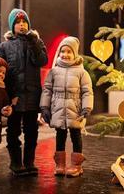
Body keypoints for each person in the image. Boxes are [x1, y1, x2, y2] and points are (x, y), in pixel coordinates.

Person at [0, 8, 48, 176]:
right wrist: (7, 97)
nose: (21, 25)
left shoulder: (36, 42)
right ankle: (16, 163)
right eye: (17, 22)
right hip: (14, 97)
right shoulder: (5, 45)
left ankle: (29, 163)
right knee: (13, 131)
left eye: (24, 22)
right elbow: (0, 71)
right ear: (12, 26)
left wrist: (33, 41)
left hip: (32, 95)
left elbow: (42, 60)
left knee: (32, 131)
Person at [40, 36, 94, 177]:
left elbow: (87, 92)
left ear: (74, 54)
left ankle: (76, 165)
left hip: (75, 110)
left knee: (76, 135)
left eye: (69, 51)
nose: (65, 54)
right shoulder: (54, 71)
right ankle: (60, 164)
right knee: (60, 135)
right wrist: (45, 107)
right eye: (62, 51)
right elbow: (47, 90)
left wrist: (86, 107)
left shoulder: (82, 73)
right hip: (58, 109)